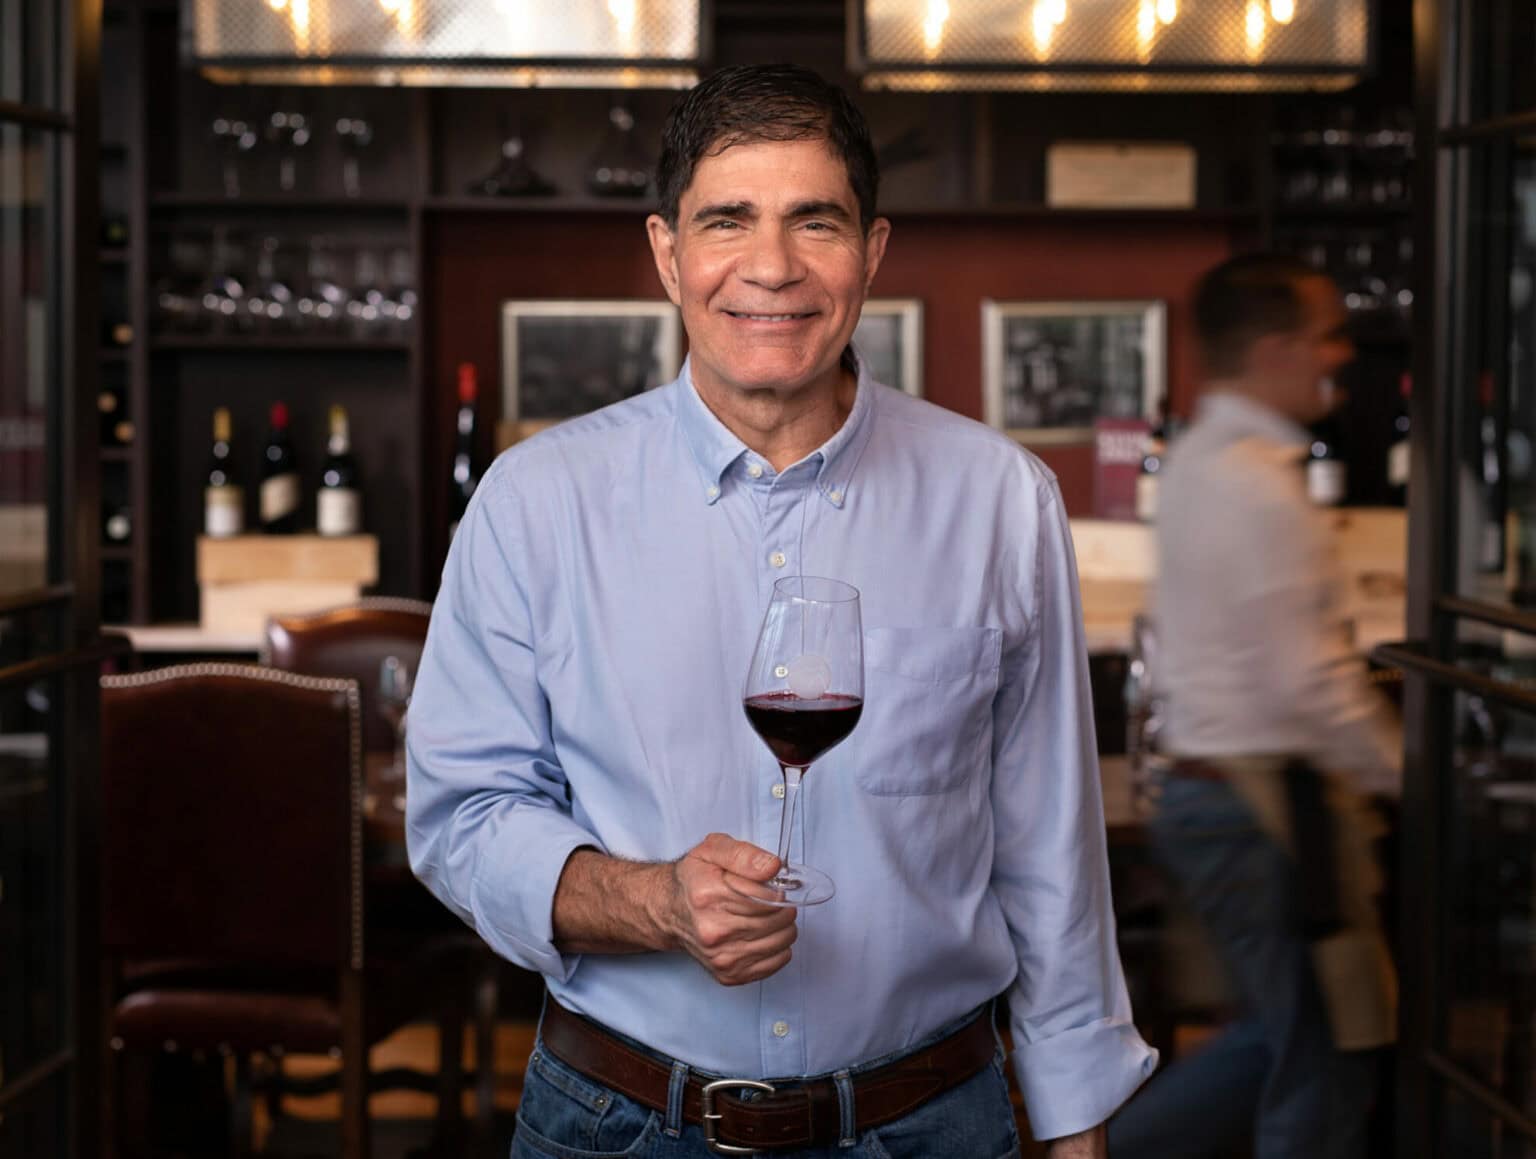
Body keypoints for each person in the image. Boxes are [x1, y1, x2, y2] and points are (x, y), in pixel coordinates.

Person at [407, 63, 1155, 1159]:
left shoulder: (999, 498)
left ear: (873, 251)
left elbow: (1050, 842)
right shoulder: (537, 502)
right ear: (668, 254)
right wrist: (652, 899)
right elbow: (460, 814)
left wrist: (1076, 1116)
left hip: (934, 1123)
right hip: (620, 1123)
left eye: (817, 220)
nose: (772, 266)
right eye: (728, 220)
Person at [1107, 253, 1400, 1159]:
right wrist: (1401, 770)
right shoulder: (1258, 482)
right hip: (1260, 803)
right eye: (1327, 334)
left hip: (1220, 799)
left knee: (1285, 1039)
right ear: (1277, 347)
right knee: (1321, 1053)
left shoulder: (1204, 457)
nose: (1339, 355)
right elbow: (1306, 681)